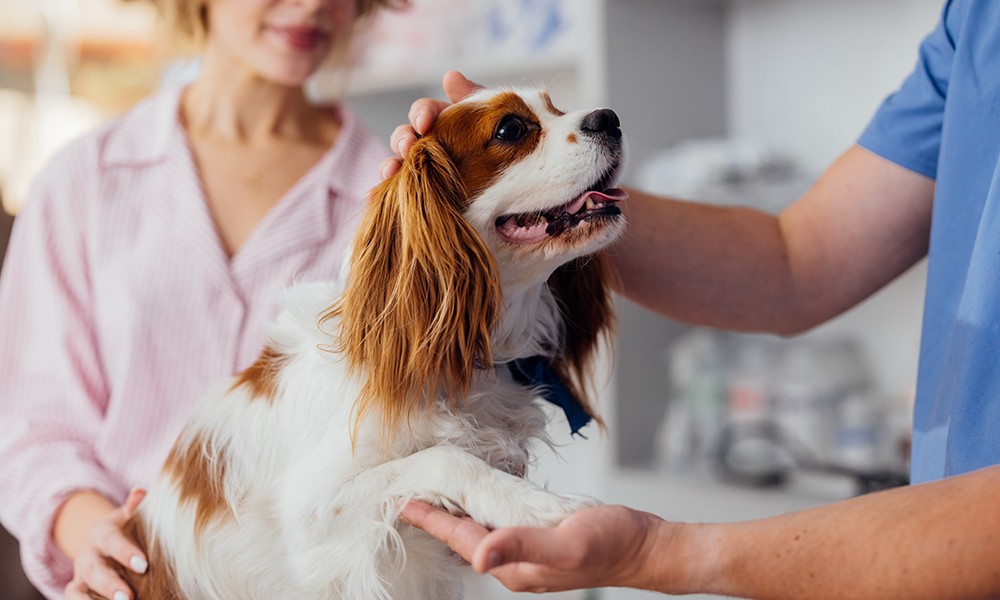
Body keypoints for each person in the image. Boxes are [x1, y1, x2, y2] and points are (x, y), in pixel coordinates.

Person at [388, 0, 1000, 597]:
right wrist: (557, 193)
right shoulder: (971, 20)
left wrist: (655, 553)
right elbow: (795, 262)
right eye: (521, 131)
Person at [0, 0, 398, 598]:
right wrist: (102, 542)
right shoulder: (83, 181)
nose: (315, 4)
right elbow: (34, 427)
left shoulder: (395, 202)